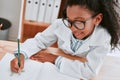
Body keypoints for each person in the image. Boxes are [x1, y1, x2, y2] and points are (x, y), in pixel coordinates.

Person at [11, 0, 120, 79]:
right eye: (69, 21)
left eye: (79, 22)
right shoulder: (60, 24)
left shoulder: (103, 38)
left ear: (97, 19)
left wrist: (55, 59)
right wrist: (21, 54)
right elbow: (39, 40)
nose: (72, 28)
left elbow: (89, 71)